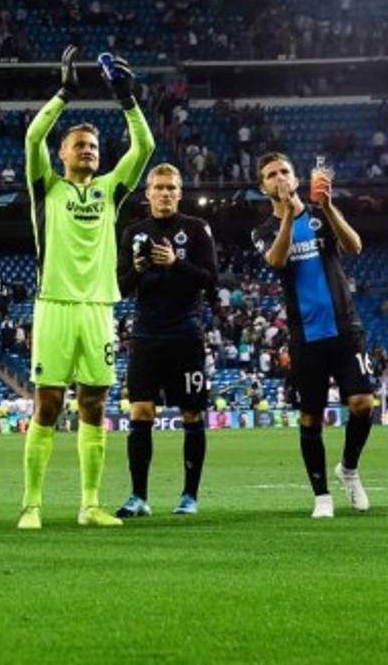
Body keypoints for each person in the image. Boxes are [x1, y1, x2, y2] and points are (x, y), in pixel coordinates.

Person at [19, 46, 155, 530]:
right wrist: (64, 95)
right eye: (79, 145)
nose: (88, 150)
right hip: (53, 305)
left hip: (99, 306)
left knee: (95, 402)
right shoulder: (46, 187)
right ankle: (32, 505)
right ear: (62, 153)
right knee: (49, 402)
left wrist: (127, 98)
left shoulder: (110, 190)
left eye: (94, 147)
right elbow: (33, 134)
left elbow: (145, 149)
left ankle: (89, 504)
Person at [251, 153, 375, 519]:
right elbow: (276, 261)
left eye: (285, 172)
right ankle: (321, 495)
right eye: (272, 175)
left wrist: (330, 207)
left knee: (363, 404)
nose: (280, 179)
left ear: (296, 176)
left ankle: (348, 469)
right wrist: (289, 215)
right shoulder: (263, 231)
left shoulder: (321, 215)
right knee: (311, 417)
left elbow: (354, 247)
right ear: (263, 187)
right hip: (306, 335)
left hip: (345, 328)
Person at [115, 163, 217, 518]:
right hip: (146, 334)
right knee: (141, 411)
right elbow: (120, 286)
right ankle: (138, 496)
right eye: (158, 187)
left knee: (192, 412)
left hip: (186, 334)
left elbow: (210, 280)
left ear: (180, 192)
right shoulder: (133, 232)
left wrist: (175, 264)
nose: (165, 193)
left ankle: (189, 496)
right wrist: (139, 269)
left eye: (171, 187)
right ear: (148, 193)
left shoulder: (196, 229)